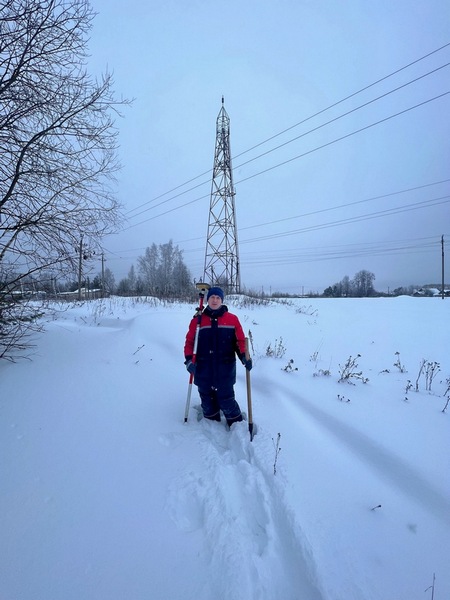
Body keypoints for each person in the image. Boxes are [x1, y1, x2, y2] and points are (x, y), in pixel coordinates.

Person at [184, 286, 252, 427]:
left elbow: (240, 341)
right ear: (207, 299)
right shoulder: (198, 321)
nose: (215, 300)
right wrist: (189, 361)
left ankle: (237, 425)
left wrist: (244, 357)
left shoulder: (232, 319)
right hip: (203, 369)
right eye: (212, 297)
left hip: (225, 370)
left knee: (227, 399)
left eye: (218, 298)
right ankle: (211, 424)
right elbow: (190, 342)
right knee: (207, 401)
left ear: (222, 300)